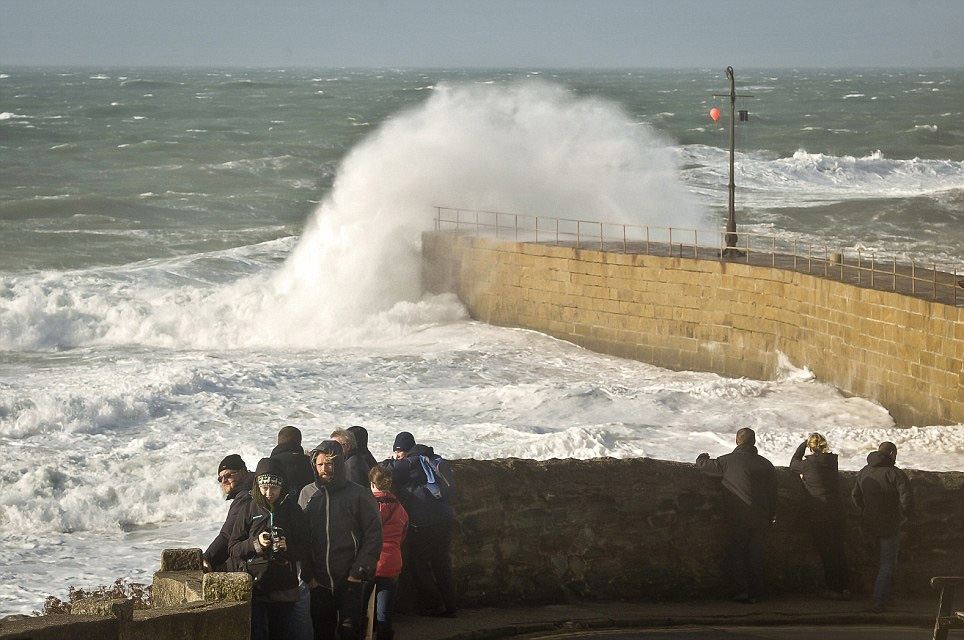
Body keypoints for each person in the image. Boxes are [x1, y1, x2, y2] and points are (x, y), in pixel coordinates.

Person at [300, 440, 382, 640]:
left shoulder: (359, 494)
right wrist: (308, 575)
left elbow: (374, 535)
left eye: (329, 463)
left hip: (350, 580)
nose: (324, 469)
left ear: (339, 464)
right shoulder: (308, 494)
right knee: (322, 632)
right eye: (319, 464)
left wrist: (358, 572)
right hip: (319, 582)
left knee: (350, 632)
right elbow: (300, 538)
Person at [228, 458, 309, 640]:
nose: (269, 493)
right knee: (257, 634)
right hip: (256, 585)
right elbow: (233, 547)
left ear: (282, 487)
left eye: (274, 488)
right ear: (258, 485)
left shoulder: (293, 510)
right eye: (264, 488)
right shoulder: (248, 508)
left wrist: (287, 548)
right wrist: (256, 543)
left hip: (284, 586)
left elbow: (305, 547)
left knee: (280, 634)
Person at [696, 427, 777, 604]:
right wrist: (772, 515)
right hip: (762, 518)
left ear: (737, 441)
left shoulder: (727, 461)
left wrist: (702, 457)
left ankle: (741, 591)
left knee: (738, 553)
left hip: (738, 516)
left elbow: (703, 466)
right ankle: (756, 593)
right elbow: (773, 494)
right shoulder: (767, 464)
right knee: (756, 555)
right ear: (754, 442)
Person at [385, 431, 457, 617]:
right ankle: (451, 606)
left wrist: (391, 461)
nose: (398, 455)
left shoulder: (409, 463)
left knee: (419, 563)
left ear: (405, 450)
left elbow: (383, 471)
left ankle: (434, 605)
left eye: (399, 451)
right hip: (445, 518)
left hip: (424, 523)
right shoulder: (434, 459)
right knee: (442, 563)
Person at [852, 441, 914, 613]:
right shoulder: (895, 474)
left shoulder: (864, 471)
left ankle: (874, 596)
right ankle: (880, 601)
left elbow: (855, 495)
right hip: (890, 525)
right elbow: (906, 501)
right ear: (893, 454)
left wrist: (865, 511)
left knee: (871, 562)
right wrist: (906, 519)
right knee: (887, 564)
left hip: (868, 524)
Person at [790, 433, 851, 600]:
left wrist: (802, 445)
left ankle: (834, 589)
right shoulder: (832, 462)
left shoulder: (808, 464)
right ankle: (845, 587)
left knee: (827, 552)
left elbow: (792, 464)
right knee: (838, 550)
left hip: (820, 513)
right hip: (838, 512)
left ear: (810, 447)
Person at [369, 464, 409, 640]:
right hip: (392, 561)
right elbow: (403, 534)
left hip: (368, 561)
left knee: (362, 610)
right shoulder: (400, 509)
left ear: (372, 484)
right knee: (384, 613)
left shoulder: (367, 506)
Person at [204, 454, 253, 572]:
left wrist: (207, 558)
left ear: (243, 472)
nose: (224, 481)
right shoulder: (255, 487)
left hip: (251, 562)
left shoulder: (245, 496)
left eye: (228, 475)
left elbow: (228, 535)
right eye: (220, 478)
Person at [271, 426, 315, 501]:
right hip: (307, 507)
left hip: (278, 508)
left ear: (278, 441)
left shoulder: (269, 464)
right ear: (299, 441)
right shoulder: (311, 463)